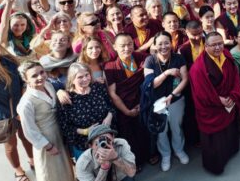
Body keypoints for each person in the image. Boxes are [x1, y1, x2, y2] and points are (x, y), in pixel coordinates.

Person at [16, 61, 77, 181]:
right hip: (45, 138)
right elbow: (29, 130)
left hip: (58, 131)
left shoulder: (48, 84)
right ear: (26, 80)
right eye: (34, 76)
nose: (40, 77)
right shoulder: (26, 102)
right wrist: (48, 146)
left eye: (41, 72)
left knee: (63, 164)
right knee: (51, 171)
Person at [188, 32, 240, 175]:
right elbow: (200, 92)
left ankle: (231, 151)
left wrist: (233, 95)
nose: (217, 47)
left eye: (220, 43)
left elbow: (235, 77)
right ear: (206, 46)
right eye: (213, 45)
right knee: (215, 138)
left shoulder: (226, 56)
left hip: (229, 101)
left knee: (229, 130)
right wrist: (218, 99)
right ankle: (215, 165)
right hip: (212, 108)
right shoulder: (198, 68)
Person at [0, 36, 33, 181]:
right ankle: (18, 171)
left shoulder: (9, 60)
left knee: (27, 136)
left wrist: (22, 106)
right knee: (10, 145)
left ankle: (33, 160)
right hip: (2, 115)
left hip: (19, 107)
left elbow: (22, 82)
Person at [143, 31, 189, 172]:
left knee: (176, 127)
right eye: (160, 44)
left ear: (171, 43)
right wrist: (167, 73)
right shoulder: (150, 60)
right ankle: (165, 155)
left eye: (166, 43)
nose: (164, 46)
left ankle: (179, 150)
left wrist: (172, 95)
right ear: (155, 46)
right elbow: (151, 84)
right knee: (161, 130)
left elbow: (185, 79)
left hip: (175, 99)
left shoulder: (178, 58)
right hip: (157, 102)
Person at [103, 33, 151, 168]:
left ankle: (150, 154)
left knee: (145, 131)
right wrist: (127, 111)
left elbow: (149, 82)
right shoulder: (110, 66)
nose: (127, 48)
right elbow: (113, 94)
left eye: (129, 44)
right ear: (115, 47)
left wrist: (143, 104)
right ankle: (136, 161)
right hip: (124, 107)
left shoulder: (141, 58)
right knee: (129, 136)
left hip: (142, 103)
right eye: (122, 46)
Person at [57, 62, 114, 160]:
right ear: (72, 80)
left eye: (87, 75)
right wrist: (85, 131)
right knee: (90, 172)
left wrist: (109, 116)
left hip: (106, 137)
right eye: (80, 77)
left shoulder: (98, 87)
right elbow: (65, 126)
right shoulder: (67, 98)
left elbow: (111, 106)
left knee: (110, 169)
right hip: (84, 144)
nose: (85, 79)